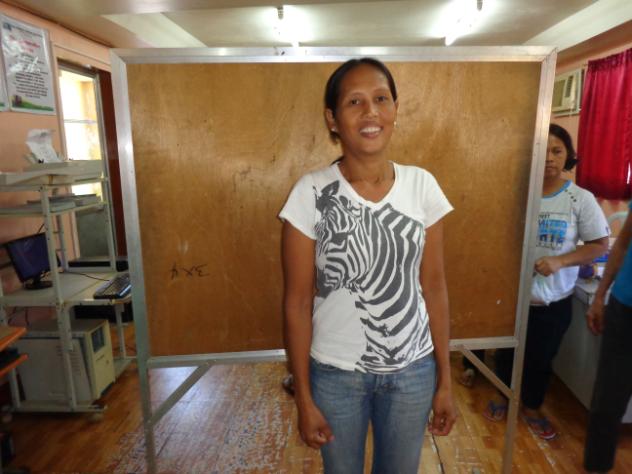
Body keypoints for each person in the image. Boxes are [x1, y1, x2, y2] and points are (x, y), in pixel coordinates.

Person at [279, 57, 456, 473]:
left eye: (381, 99)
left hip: (413, 372)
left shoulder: (422, 185)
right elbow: (297, 303)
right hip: (335, 375)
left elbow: (434, 288)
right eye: (354, 102)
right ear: (333, 119)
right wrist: (304, 397)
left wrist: (445, 380)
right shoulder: (311, 193)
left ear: (395, 109)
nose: (370, 112)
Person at [484, 123, 609, 440]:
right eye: (544, 150)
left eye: (557, 151)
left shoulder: (579, 199)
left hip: (553, 301)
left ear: (568, 155)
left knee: (541, 358)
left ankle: (531, 406)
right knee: (506, 352)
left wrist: (560, 261)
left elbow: (599, 245)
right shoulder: (516, 193)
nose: (550, 158)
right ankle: (502, 395)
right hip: (511, 295)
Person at [584, 205, 632, 473]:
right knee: (607, 402)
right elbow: (622, 245)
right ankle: (597, 468)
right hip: (625, 309)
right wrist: (600, 296)